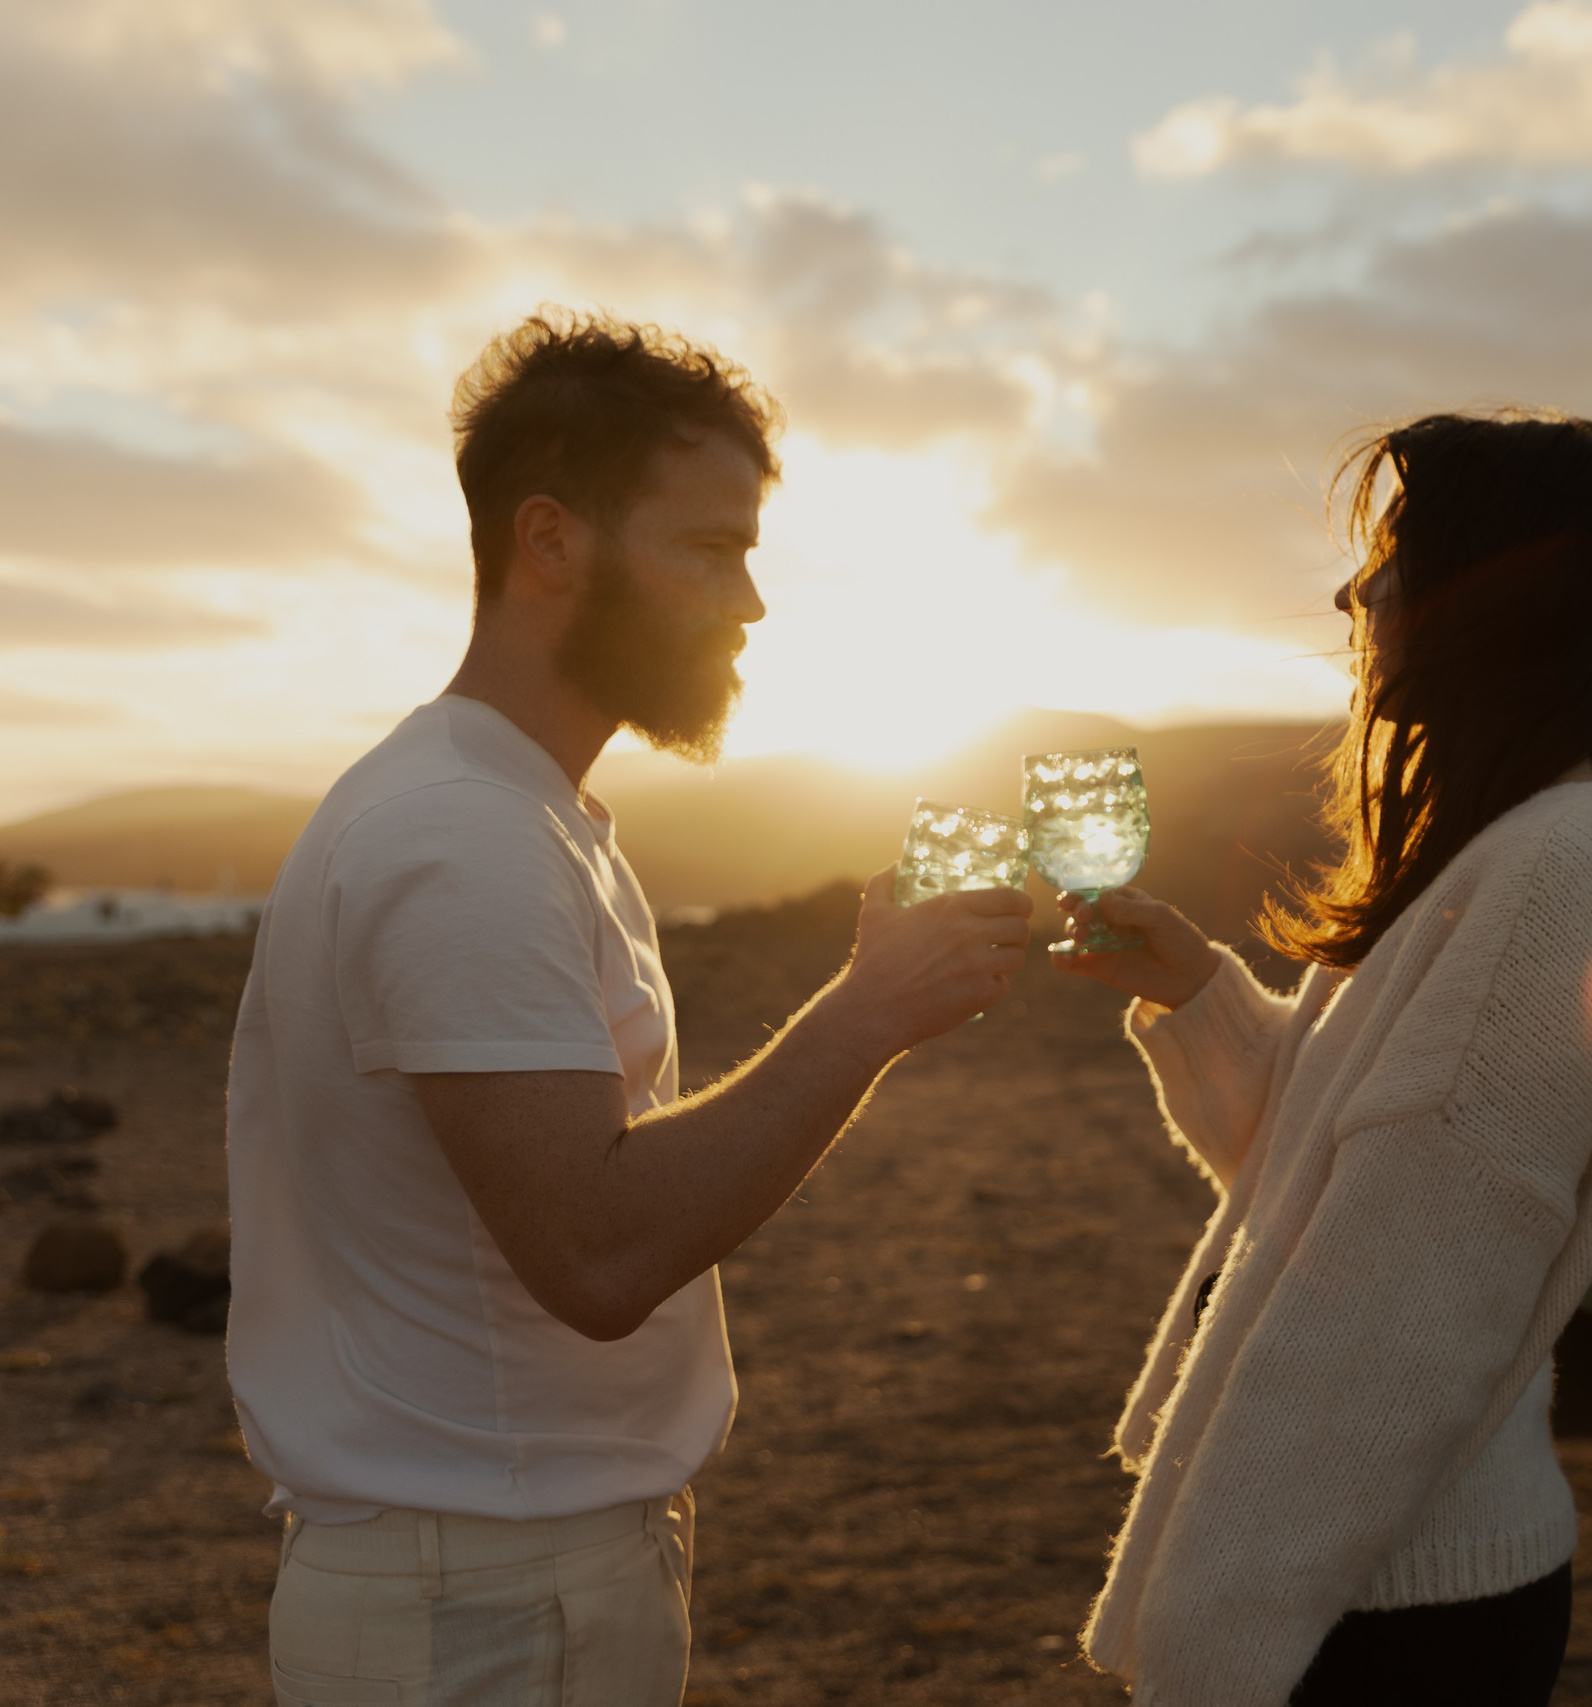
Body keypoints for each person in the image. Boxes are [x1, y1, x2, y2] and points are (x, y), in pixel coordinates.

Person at [225, 311, 1031, 1707]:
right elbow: (596, 1251)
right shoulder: (463, 834)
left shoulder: (519, 810)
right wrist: (864, 1015)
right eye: (710, 549)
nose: (750, 602)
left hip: (497, 1569)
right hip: (479, 1601)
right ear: (552, 543)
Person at [1057, 411, 1592, 1706]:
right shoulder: (1495, 847)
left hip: (1390, 1616)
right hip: (1373, 1586)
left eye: (1398, 551)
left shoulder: (1558, 863)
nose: (1359, 591)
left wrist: (1207, 1656)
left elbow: (1398, 1312)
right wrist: (1202, 996)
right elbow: (1326, 1180)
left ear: (1493, 595)